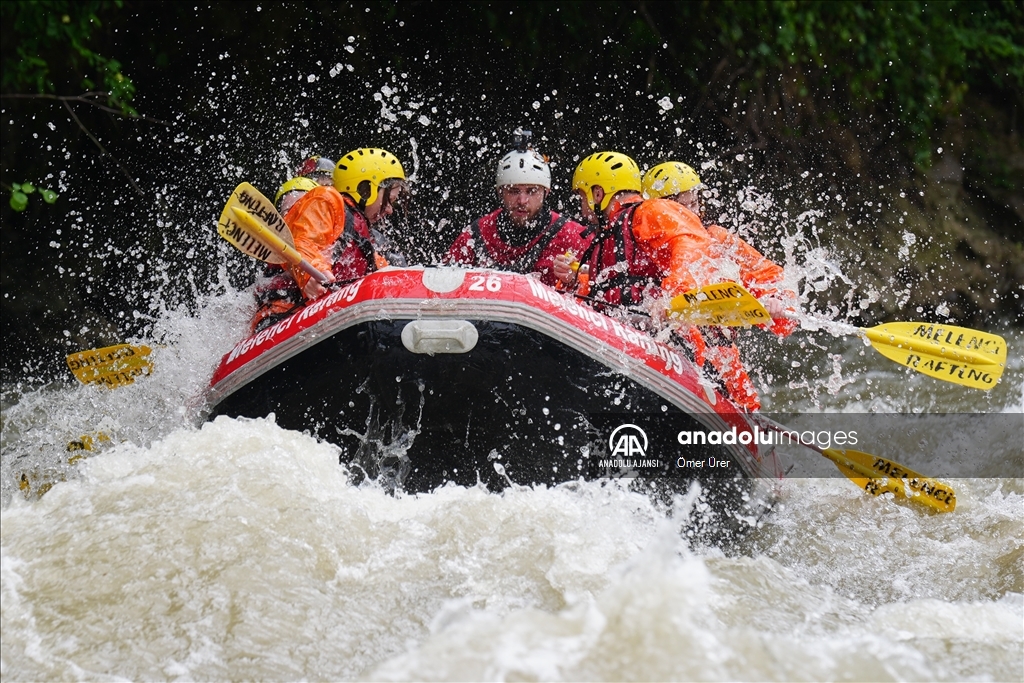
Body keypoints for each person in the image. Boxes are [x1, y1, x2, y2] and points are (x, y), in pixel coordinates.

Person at [570, 153, 796, 411]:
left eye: (692, 203)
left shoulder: (653, 214)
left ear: (597, 193)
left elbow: (692, 252)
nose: (688, 213)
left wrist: (672, 298)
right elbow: (612, 288)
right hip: (635, 344)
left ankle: (746, 419)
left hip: (695, 355)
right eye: (679, 204)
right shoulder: (608, 236)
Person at [251, 147, 410, 331]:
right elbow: (304, 242)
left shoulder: (363, 235)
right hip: (280, 316)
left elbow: (384, 274)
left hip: (320, 321)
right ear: (365, 190)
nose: (389, 210)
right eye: (388, 200)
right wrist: (311, 272)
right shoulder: (326, 200)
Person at [445, 130, 590, 288]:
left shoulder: (572, 237)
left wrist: (576, 280)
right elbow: (445, 285)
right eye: (513, 191)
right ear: (500, 192)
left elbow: (598, 288)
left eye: (531, 191)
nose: (522, 201)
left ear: (546, 193)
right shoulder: (477, 235)